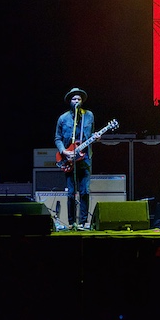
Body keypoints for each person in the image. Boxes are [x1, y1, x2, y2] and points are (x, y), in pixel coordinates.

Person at [55, 87, 95, 230]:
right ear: (70, 101)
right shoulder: (63, 118)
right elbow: (57, 138)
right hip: (69, 158)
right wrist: (64, 151)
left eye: (79, 99)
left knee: (85, 191)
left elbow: (90, 136)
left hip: (84, 159)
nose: (77, 101)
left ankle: (84, 222)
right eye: (74, 99)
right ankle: (72, 223)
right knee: (71, 193)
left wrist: (96, 137)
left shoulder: (89, 116)